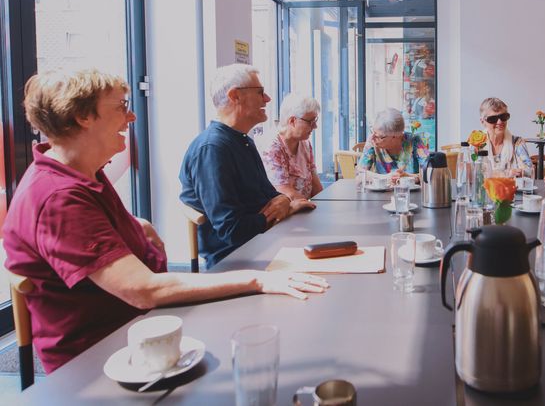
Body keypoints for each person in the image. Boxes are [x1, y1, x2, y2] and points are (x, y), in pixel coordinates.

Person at [2, 69, 329, 373]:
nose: (131, 115)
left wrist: (131, 224)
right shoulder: (59, 197)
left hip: (144, 332)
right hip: (105, 359)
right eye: (121, 106)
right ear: (82, 117)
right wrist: (258, 280)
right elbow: (143, 290)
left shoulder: (81, 174)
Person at [180, 64, 315, 268]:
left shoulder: (242, 140)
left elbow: (272, 196)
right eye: (260, 92)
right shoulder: (212, 149)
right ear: (235, 96)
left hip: (264, 239)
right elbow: (232, 231)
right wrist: (280, 210)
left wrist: (284, 202)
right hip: (239, 255)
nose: (267, 99)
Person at [262, 94, 323, 200]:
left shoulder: (305, 144)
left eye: (315, 121)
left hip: (305, 210)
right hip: (287, 213)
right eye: (310, 122)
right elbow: (285, 192)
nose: (315, 126)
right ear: (292, 121)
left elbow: (316, 186)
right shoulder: (272, 147)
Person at [358, 108, 429, 182]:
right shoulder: (372, 141)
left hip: (409, 192)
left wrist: (410, 177)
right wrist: (386, 177)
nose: (373, 137)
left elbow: (431, 172)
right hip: (381, 193)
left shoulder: (414, 141)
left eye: (380, 136)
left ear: (396, 135)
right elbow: (359, 174)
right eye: (373, 131)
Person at [478, 97, 533, 175]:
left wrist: (521, 173)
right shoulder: (476, 144)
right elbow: (470, 174)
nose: (500, 122)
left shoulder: (517, 143)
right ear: (483, 122)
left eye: (503, 117)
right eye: (493, 118)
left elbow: (530, 171)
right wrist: (505, 174)